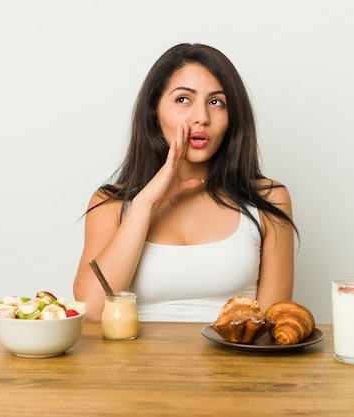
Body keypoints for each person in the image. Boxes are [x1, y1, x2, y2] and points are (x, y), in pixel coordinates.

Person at [73, 43, 297, 322]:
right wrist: (144, 203)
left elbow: (271, 325)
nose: (201, 117)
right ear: (154, 112)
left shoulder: (268, 200)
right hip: (132, 365)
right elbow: (92, 311)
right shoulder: (110, 203)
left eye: (217, 102)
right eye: (183, 100)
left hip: (236, 364)